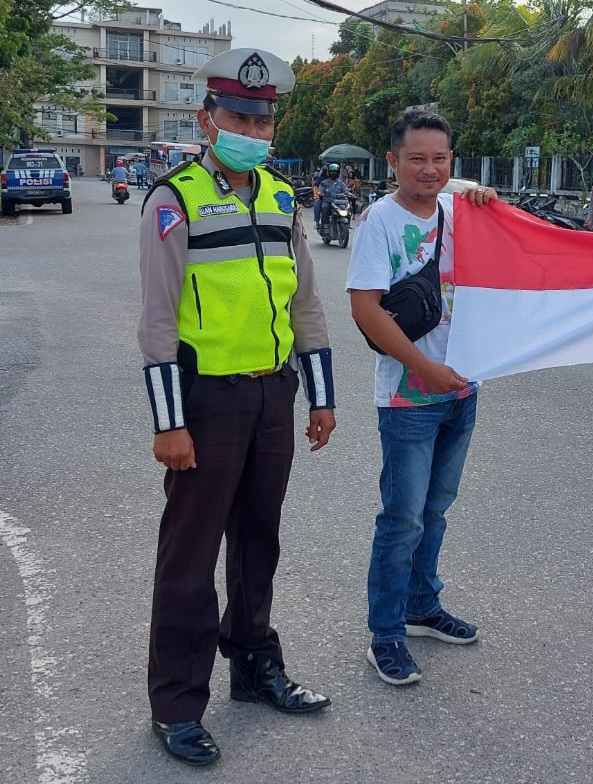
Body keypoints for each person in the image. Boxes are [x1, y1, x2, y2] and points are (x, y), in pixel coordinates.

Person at [137, 47, 337, 767]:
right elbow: (158, 321)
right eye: (239, 118)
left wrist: (321, 396)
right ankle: (176, 704)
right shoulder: (175, 200)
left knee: (258, 540)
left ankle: (254, 666)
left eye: (263, 120)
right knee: (189, 557)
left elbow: (304, 302)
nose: (253, 130)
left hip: (271, 395)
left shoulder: (282, 198)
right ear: (208, 119)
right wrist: (169, 422)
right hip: (207, 402)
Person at [348, 109, 497, 687]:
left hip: (463, 388)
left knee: (435, 510)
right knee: (402, 517)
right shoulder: (378, 222)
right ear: (393, 162)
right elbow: (365, 310)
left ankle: (421, 605)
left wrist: (482, 195)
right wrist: (424, 368)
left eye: (440, 159)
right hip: (408, 398)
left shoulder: (461, 212)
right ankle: (385, 633)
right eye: (416, 159)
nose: (429, 169)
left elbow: (518, 243)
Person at [318, 162, 349, 230]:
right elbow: (320, 190)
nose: (333, 173)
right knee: (325, 207)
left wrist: (350, 194)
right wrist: (321, 193)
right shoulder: (324, 182)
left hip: (339, 202)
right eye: (332, 172)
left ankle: (347, 224)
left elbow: (346, 190)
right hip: (328, 201)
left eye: (335, 172)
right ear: (329, 172)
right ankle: (325, 225)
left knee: (348, 208)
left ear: (338, 173)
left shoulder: (341, 183)